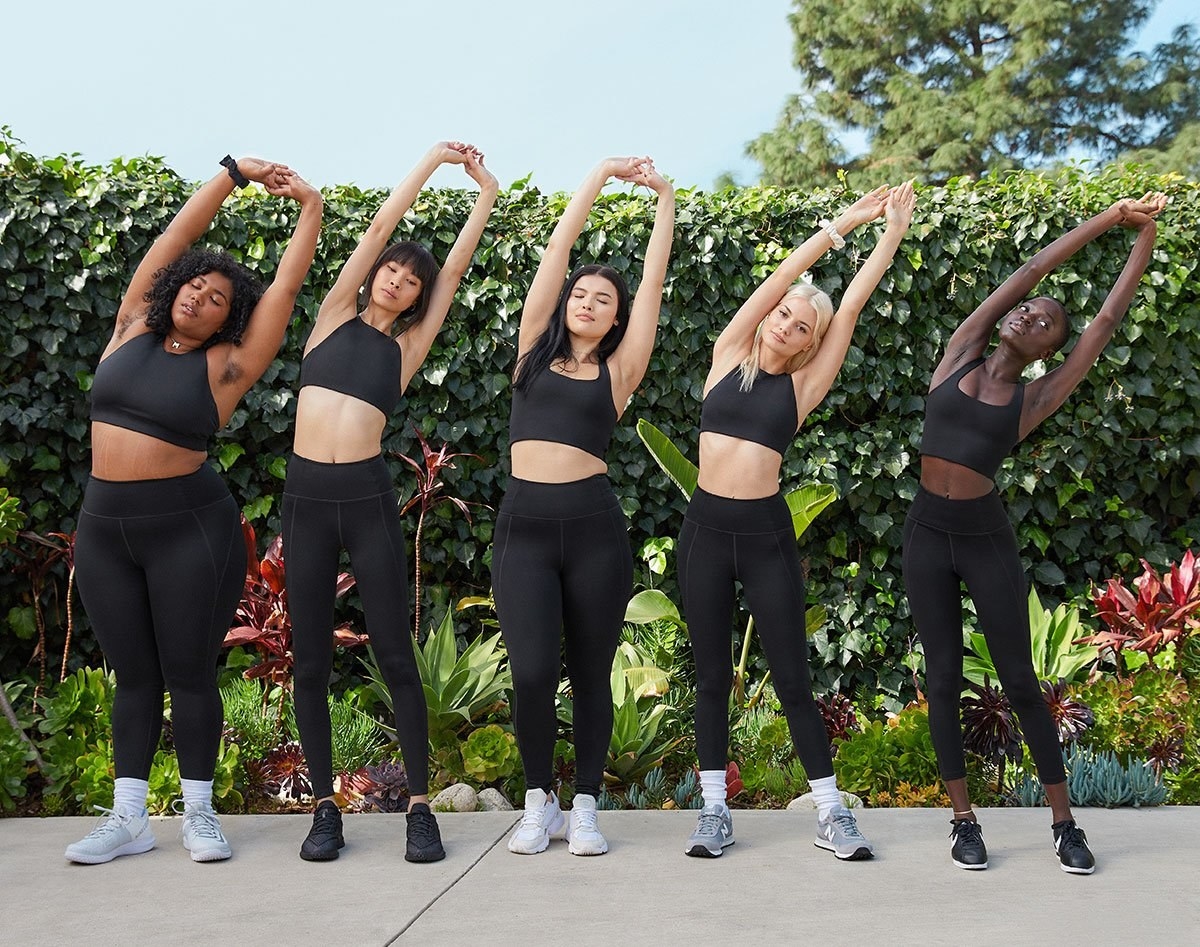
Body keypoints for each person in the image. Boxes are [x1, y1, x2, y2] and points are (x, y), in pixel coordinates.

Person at [66, 156, 323, 864]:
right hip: (104, 529)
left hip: (189, 530)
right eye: (195, 287)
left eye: (218, 300)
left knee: (188, 671)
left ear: (229, 321)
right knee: (134, 675)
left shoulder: (227, 367)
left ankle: (200, 814)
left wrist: (309, 208)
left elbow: (288, 285)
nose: (200, 297)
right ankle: (128, 819)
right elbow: (178, 235)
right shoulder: (130, 327)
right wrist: (231, 173)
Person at [902, 191, 1167, 874]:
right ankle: (963, 821)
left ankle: (1064, 824)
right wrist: (1110, 217)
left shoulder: (1037, 396)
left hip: (984, 536)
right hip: (927, 532)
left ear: (1049, 346)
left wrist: (1146, 233)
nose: (1030, 312)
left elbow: (1106, 321)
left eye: (1045, 321)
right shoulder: (962, 349)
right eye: (1029, 309)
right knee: (943, 677)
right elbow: (1029, 270)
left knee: (1020, 680)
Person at [681, 182, 916, 860]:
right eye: (784, 314)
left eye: (802, 325)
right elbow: (787, 274)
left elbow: (850, 308)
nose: (788, 322)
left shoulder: (803, 386)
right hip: (705, 530)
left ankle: (830, 812)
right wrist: (843, 223)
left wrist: (891, 231)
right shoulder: (728, 352)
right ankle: (714, 811)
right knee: (712, 676)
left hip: (763, 536)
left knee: (790, 675)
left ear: (811, 343)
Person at [283, 142, 498, 863]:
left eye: (411, 281)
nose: (399, 281)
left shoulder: (407, 348)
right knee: (309, 661)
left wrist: (485, 194)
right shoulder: (333, 314)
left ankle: (417, 809)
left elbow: (456, 273)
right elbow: (379, 226)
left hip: (366, 496)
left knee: (396, 655)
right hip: (307, 498)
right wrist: (432, 161)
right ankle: (323, 809)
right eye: (393, 272)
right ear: (374, 276)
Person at [492, 156, 675, 855]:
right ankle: (540, 800)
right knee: (534, 670)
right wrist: (598, 176)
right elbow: (557, 251)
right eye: (582, 294)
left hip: (595, 531)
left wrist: (663, 203)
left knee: (592, 672)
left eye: (605, 298)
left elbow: (653, 282)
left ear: (618, 317)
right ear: (564, 302)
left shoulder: (619, 370)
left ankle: (588, 805)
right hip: (524, 531)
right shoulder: (529, 356)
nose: (590, 302)